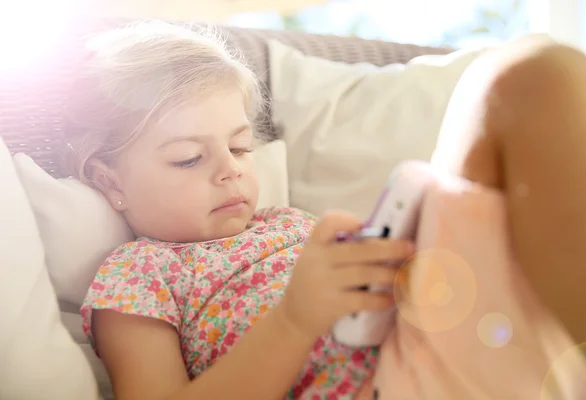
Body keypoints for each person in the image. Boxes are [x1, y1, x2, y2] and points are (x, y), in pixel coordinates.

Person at [66, 21, 414, 400]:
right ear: (111, 182)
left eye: (239, 147)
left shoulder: (290, 221)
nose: (230, 169)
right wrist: (294, 320)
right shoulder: (140, 275)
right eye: (189, 158)